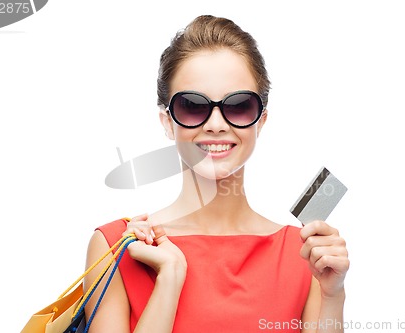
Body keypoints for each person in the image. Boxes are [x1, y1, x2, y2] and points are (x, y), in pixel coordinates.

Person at [84, 15, 349, 333]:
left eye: (238, 106)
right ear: (168, 122)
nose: (216, 124)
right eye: (192, 106)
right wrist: (169, 278)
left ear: (260, 120)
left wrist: (334, 295)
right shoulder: (118, 246)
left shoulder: (305, 254)